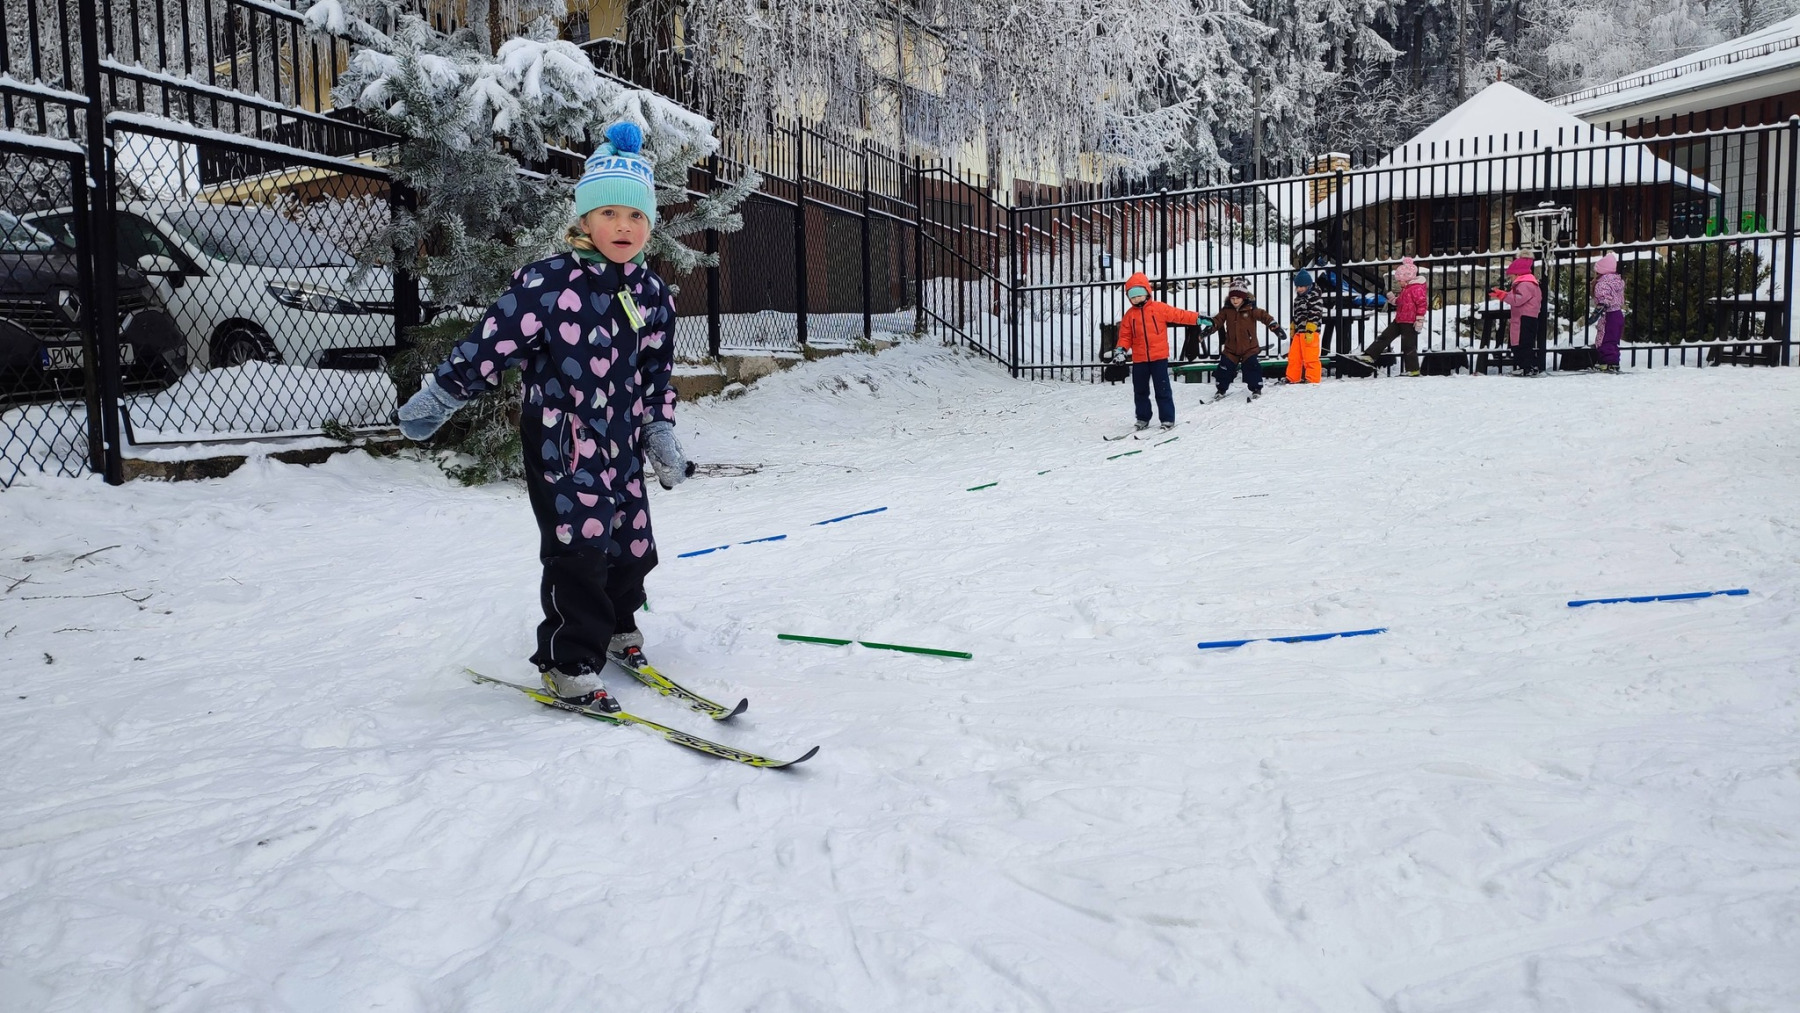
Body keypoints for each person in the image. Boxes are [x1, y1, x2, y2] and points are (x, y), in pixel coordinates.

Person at [393, 122, 687, 713]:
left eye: (636, 216)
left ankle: (618, 625)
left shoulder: (651, 293)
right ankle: (567, 658)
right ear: (584, 220)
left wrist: (658, 429)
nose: (623, 226)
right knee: (580, 550)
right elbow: (492, 341)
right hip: (563, 442)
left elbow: (656, 370)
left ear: (650, 224)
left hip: (622, 442)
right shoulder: (548, 283)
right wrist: (444, 394)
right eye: (608, 213)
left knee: (633, 545)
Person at [1108, 270, 1206, 430]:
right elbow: (1125, 336)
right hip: (1140, 360)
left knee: (1162, 389)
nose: (1136, 299)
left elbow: (1179, 315)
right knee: (1140, 391)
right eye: (1132, 296)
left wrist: (1197, 318)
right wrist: (1121, 350)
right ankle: (1142, 418)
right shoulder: (1129, 316)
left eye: (1139, 295)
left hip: (1159, 358)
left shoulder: (1159, 308)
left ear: (1147, 292)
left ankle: (1167, 419)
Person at [1200, 277, 1283, 400]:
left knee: (1252, 368)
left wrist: (1274, 325)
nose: (1235, 301)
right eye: (1232, 298)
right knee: (1224, 368)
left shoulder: (1251, 309)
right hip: (1231, 348)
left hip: (1249, 348)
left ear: (1243, 297)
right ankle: (1221, 389)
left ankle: (1256, 389)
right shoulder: (1226, 310)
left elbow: (1264, 316)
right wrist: (1208, 330)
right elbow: (1217, 321)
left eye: (1238, 298)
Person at [1356, 256, 1428, 374]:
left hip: (1410, 322)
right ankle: (1370, 355)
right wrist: (1392, 299)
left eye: (1400, 280)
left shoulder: (1416, 289)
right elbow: (1401, 302)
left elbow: (1422, 304)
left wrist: (1419, 319)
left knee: (1408, 346)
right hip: (1399, 319)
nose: (1399, 282)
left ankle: (1413, 369)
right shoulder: (1406, 289)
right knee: (1385, 336)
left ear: (1407, 278)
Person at [1494, 256, 1544, 375]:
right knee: (1524, 343)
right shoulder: (1529, 284)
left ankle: (1526, 367)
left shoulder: (1524, 284)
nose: (1510, 279)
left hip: (1524, 318)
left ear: (1518, 274)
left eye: (1511, 276)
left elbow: (1517, 300)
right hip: (1526, 318)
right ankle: (1527, 366)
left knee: (1522, 344)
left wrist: (1503, 295)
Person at [1285, 269, 1324, 384]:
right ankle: (1293, 377)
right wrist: (1293, 325)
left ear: (1308, 286)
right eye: (1297, 287)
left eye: (1301, 286)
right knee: (1294, 356)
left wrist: (1311, 329)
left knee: (1310, 357)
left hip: (1310, 332)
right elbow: (1297, 314)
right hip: (1299, 331)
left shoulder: (1314, 297)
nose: (1299, 289)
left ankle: (1312, 379)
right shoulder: (1298, 299)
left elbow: (1315, 313)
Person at [1589, 252, 1625, 373]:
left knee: (1605, 338)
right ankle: (1614, 361)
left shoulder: (1602, 283)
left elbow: (1604, 299)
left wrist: (1596, 312)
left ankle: (1606, 361)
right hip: (1618, 313)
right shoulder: (1617, 281)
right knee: (1613, 338)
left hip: (1609, 314)